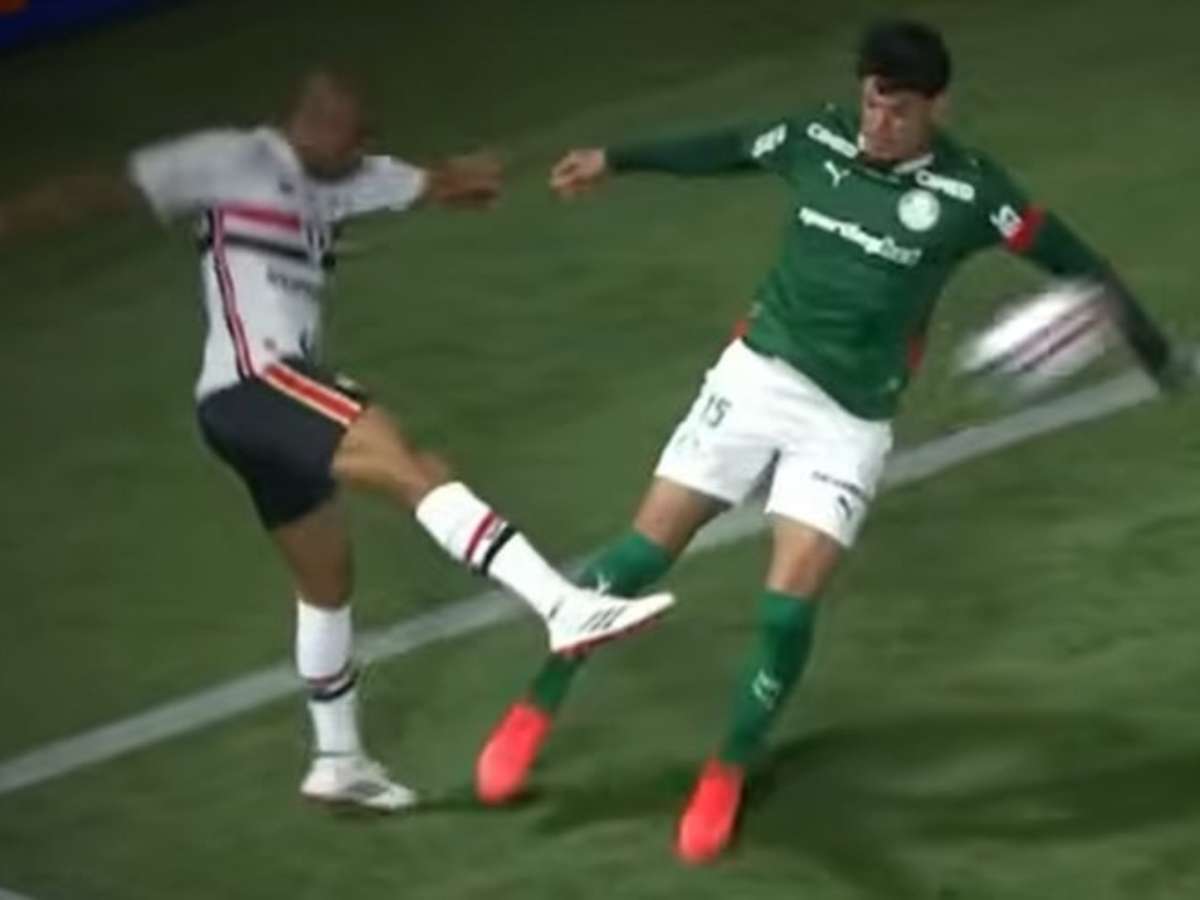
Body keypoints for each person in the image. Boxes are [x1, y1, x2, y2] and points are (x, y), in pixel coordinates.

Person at [473, 20, 1185, 862]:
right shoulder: (817, 138)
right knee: (641, 551)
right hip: (755, 380)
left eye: (900, 110)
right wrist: (615, 159)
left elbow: (1080, 266)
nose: (879, 122)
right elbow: (729, 148)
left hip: (847, 425)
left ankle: (727, 769)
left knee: (787, 609)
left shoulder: (971, 192)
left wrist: (1157, 356)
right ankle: (536, 704)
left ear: (937, 107)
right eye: (873, 101)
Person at [0, 71, 673, 812]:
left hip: (243, 410)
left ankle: (338, 761)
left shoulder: (354, 178)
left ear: (359, 142)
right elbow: (96, 193)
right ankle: (561, 607)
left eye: (338, 124)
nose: (318, 129)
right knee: (414, 466)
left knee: (325, 582)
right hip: (260, 381)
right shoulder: (230, 160)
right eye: (312, 113)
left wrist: (475, 177)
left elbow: (436, 185)